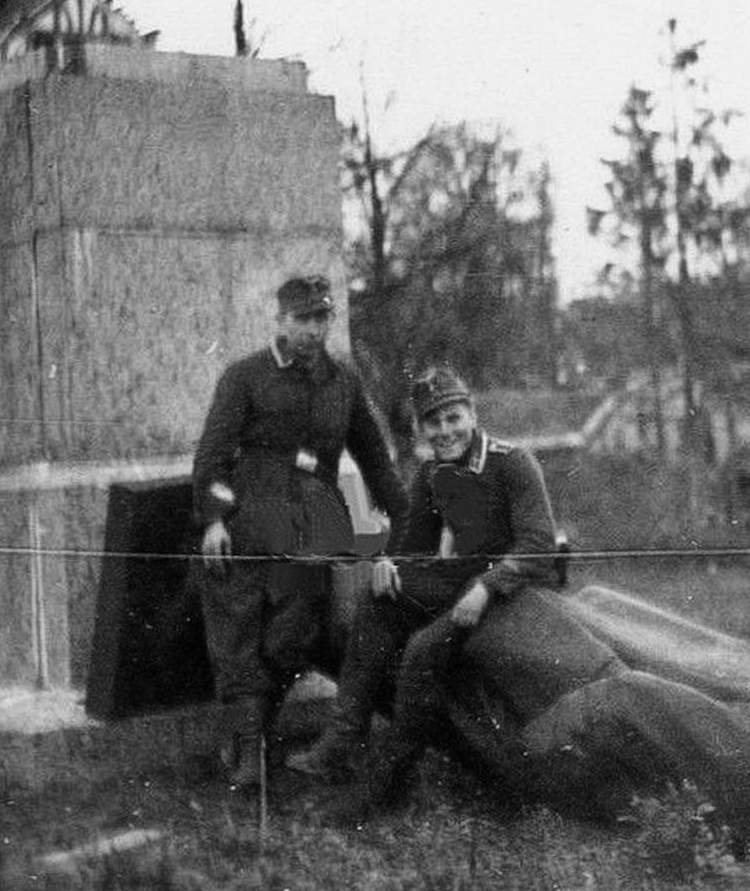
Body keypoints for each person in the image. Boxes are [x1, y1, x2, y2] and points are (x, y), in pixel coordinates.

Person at [289, 364, 560, 792]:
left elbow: (539, 542)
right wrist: (389, 563)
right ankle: (345, 733)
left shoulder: (512, 462)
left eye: (454, 417)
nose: (445, 431)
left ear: (472, 415)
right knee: (378, 599)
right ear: (421, 428)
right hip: (464, 580)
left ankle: (388, 779)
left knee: (421, 651)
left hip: (517, 590)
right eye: (433, 422)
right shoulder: (433, 472)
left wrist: (488, 587)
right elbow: (412, 540)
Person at [192, 274, 407, 791]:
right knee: (239, 630)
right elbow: (213, 455)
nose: (313, 329)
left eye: (321, 318)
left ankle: (250, 736)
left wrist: (409, 520)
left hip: (312, 525)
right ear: (280, 320)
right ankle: (249, 751)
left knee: (296, 636)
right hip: (249, 519)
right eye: (302, 319)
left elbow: (375, 460)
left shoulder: (343, 383)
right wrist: (213, 520)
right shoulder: (244, 376)